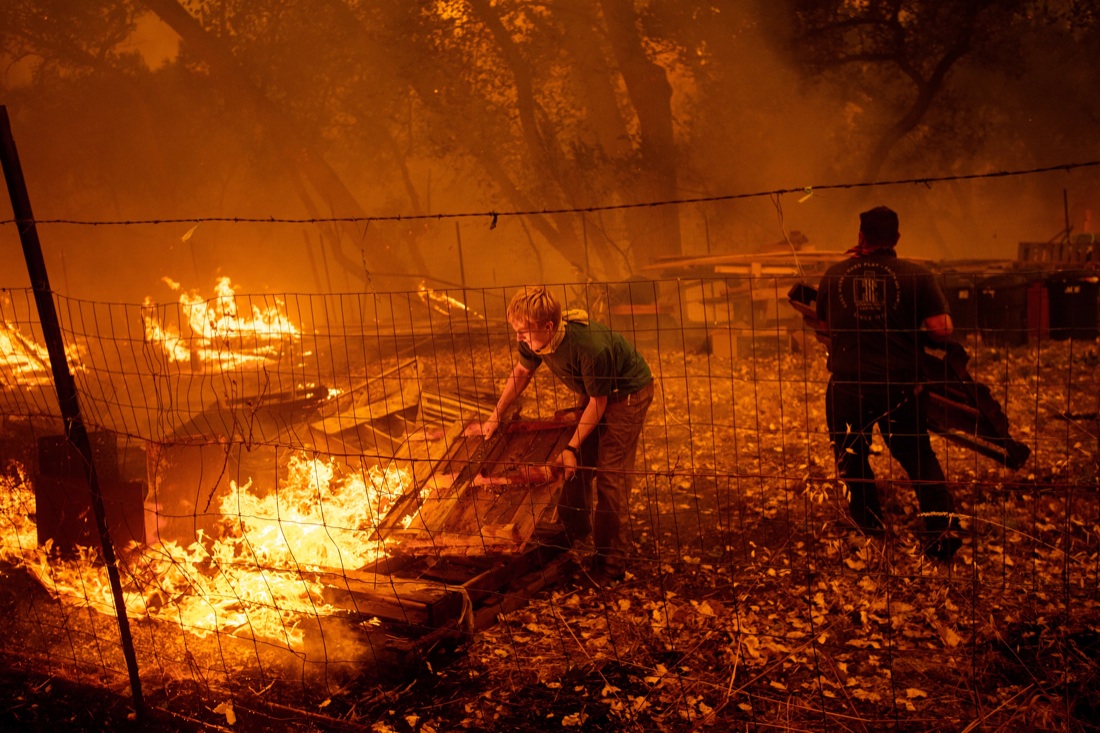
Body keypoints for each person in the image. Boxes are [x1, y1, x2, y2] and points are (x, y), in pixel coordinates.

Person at [466, 286, 654, 586]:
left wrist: (570, 445)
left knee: (609, 474)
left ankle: (610, 565)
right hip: (596, 393)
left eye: (524, 332)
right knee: (573, 466)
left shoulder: (590, 348)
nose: (519, 338)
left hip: (627, 395)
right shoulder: (533, 336)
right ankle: (572, 532)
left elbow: (599, 403)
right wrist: (496, 415)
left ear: (548, 327)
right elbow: (522, 373)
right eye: (516, 331)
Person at [816, 206, 961, 560]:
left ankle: (870, 532)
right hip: (899, 387)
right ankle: (941, 531)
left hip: (849, 386)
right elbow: (941, 331)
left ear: (861, 236)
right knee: (916, 454)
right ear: (896, 238)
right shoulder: (916, 276)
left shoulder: (834, 277)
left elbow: (822, 328)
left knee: (851, 456)